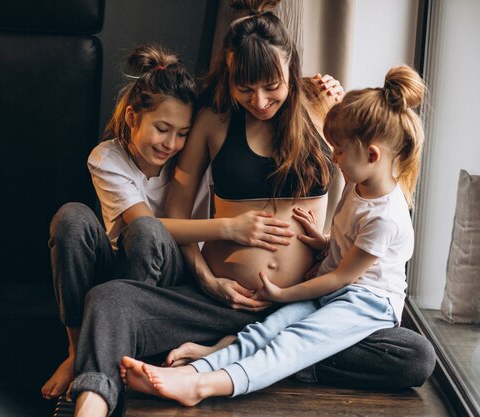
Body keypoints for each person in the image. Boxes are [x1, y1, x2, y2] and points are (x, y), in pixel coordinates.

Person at [68, 2, 435, 416]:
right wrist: (208, 280)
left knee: (414, 355)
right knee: (109, 300)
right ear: (230, 76)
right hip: (222, 304)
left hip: (307, 306)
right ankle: (92, 406)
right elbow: (174, 218)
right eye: (245, 87)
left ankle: (254, 356)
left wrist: (328, 246)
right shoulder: (214, 121)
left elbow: (368, 180)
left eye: (271, 85)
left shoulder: (324, 108)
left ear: (291, 68)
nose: (259, 101)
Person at [119, 64, 429, 406]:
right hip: (322, 291)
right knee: (269, 330)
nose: (333, 158)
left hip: (364, 301)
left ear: (372, 155)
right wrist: (323, 242)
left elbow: (345, 276)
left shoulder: (387, 217)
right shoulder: (360, 185)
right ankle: (195, 369)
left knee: (294, 341)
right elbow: (350, 252)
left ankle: (204, 385)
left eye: (338, 151)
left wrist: (284, 294)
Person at [42, 43, 310, 400]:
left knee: (148, 233)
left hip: (173, 272)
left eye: (182, 132)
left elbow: (260, 101)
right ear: (132, 117)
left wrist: (314, 86)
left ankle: (126, 349)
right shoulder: (107, 158)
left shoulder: (194, 152)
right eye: (162, 128)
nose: (171, 143)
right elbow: (146, 222)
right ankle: (77, 353)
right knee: (75, 218)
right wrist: (230, 227)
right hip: (123, 263)